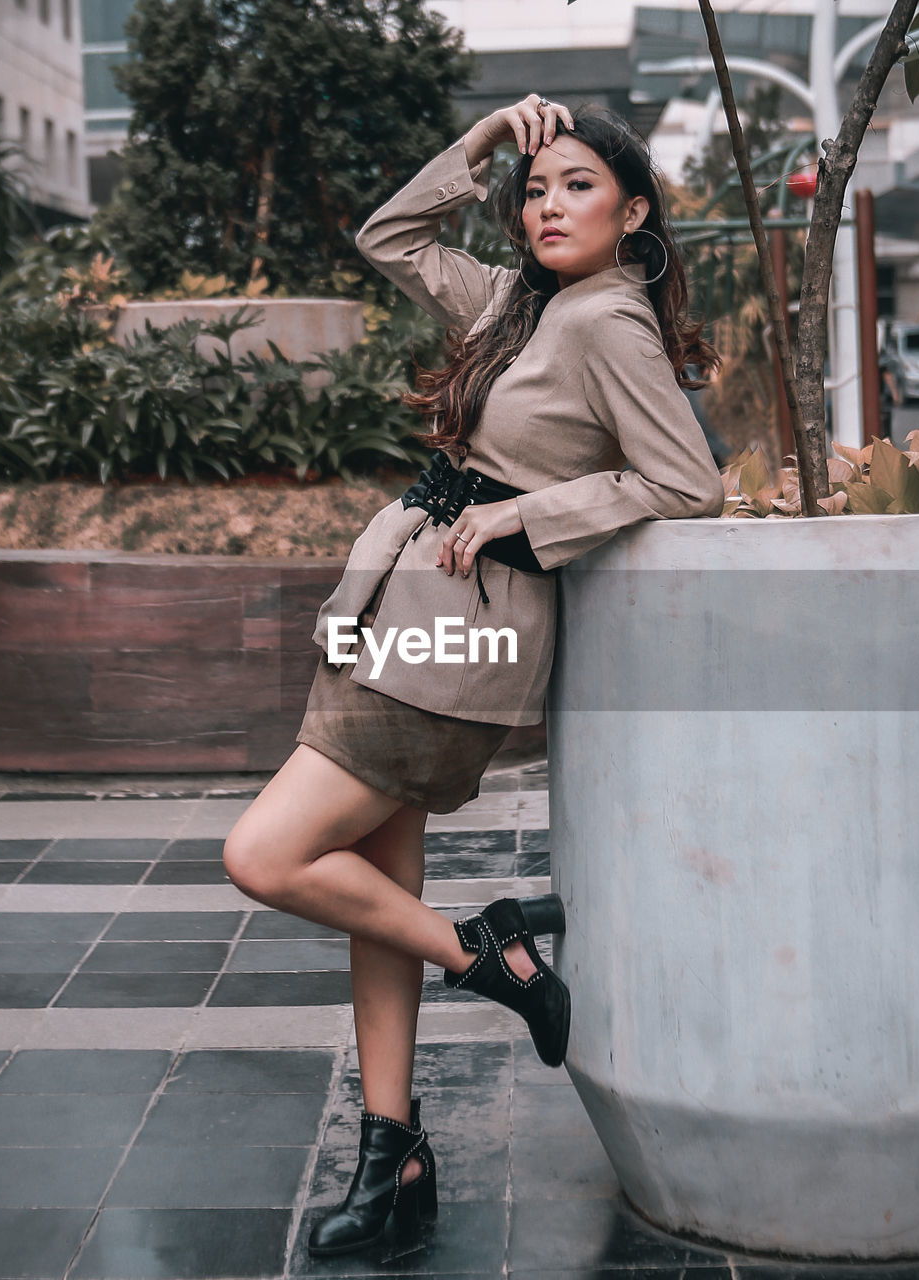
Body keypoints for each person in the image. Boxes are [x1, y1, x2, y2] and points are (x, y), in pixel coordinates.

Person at [222, 93, 724, 1257]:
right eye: (535, 188)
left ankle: (486, 953)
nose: (548, 203)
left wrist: (523, 517)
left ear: (634, 211)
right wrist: (491, 138)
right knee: (369, 893)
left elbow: (684, 482)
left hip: (458, 630)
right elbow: (388, 239)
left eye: (578, 185)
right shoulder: (514, 302)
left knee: (266, 852)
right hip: (402, 600)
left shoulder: (609, 321)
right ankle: (392, 1152)